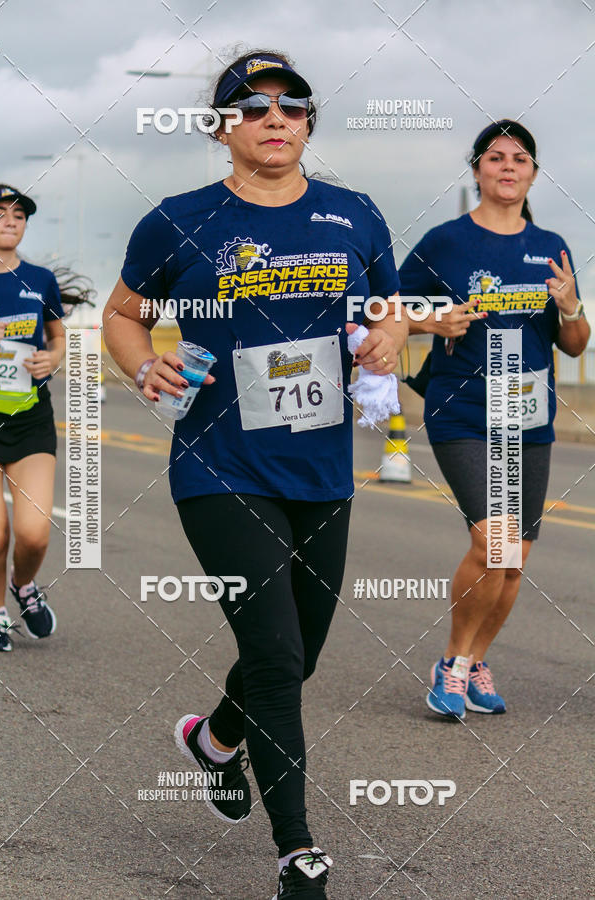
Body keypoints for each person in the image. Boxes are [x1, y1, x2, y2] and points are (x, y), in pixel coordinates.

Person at [103, 49, 406, 899]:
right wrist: (142, 366)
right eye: (252, 106)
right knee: (273, 654)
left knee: (298, 655)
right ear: (223, 125)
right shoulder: (179, 219)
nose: (274, 118)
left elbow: (386, 311)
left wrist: (389, 337)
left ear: (308, 123)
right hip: (219, 466)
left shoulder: (354, 215)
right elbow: (123, 316)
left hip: (320, 468)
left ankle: (215, 740)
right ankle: (299, 854)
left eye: (291, 106)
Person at [399, 120, 590, 719]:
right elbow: (388, 310)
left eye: (520, 159)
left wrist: (572, 309)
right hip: (461, 408)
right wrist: (434, 322)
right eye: (496, 157)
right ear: (477, 168)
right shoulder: (444, 242)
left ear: (532, 173)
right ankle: (451, 667)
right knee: (493, 539)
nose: (508, 167)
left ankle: (476, 659)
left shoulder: (551, 246)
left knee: (516, 558)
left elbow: (576, 345)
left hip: (527, 415)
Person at [0, 185, 66, 650]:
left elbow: (58, 337)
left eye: (19, 214)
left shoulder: (40, 280)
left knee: (33, 533)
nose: (10, 220)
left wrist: (52, 359)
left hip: (28, 416)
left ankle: (24, 587)